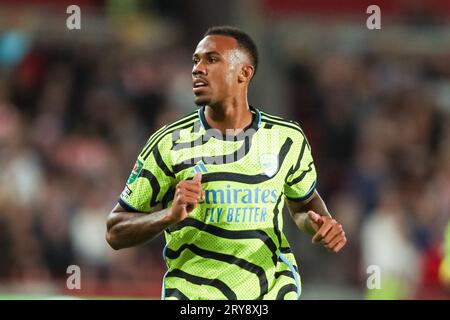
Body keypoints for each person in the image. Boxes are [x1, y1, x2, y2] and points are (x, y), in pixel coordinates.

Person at [106, 26, 347, 300]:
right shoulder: (169, 143)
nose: (198, 69)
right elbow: (115, 231)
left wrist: (320, 224)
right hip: (194, 299)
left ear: (244, 73)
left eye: (211, 59)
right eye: (195, 60)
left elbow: (303, 203)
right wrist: (168, 216)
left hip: (268, 295)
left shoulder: (285, 139)